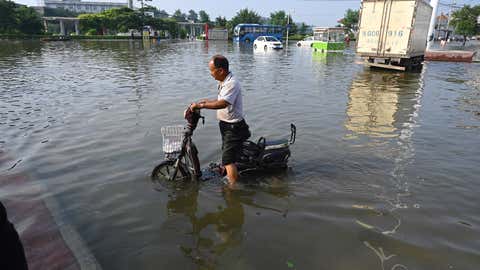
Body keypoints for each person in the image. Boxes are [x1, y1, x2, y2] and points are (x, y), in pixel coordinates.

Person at [190, 55, 251, 186]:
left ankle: (232, 189)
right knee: (227, 153)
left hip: (233, 128)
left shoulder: (231, 83)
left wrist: (202, 105)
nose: (210, 74)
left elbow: (223, 103)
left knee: (228, 160)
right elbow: (219, 100)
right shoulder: (224, 81)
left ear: (221, 71)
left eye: (212, 70)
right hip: (226, 125)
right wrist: (202, 102)